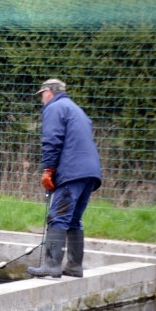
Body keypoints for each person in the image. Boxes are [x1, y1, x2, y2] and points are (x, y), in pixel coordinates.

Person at [28, 78, 101, 278]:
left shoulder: (55, 108)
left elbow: (52, 140)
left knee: (58, 217)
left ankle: (52, 264)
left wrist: (48, 169)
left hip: (72, 172)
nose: (42, 98)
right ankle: (74, 266)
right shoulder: (76, 109)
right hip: (90, 173)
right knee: (74, 219)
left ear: (49, 92)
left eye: (42, 94)